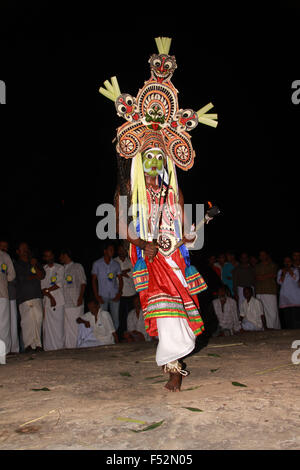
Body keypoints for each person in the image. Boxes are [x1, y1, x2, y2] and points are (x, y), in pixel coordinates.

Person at [101, 36, 216, 391]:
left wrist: (197, 227)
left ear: (166, 158)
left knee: (179, 312)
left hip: (174, 258)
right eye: (147, 155)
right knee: (165, 312)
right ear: (138, 159)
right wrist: (141, 242)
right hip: (149, 258)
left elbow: (184, 230)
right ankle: (173, 367)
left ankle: (175, 361)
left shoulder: (175, 191)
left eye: (158, 156)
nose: (153, 160)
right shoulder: (127, 190)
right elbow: (121, 227)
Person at [14, 242, 45, 352]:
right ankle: (28, 345)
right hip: (24, 296)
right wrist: (33, 275)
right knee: (27, 321)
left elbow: (41, 275)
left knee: (38, 318)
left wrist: (34, 266)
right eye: (22, 249)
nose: (25, 251)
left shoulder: (34, 262)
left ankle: (38, 345)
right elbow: (22, 278)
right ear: (18, 252)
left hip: (36, 295)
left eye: (27, 248)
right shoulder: (16, 264)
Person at [91, 241, 123, 332]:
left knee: (115, 319)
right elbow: (93, 280)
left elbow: (120, 279)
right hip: (102, 295)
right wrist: (96, 296)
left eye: (113, 250)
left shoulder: (116, 264)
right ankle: (104, 339)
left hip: (114, 294)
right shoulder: (97, 264)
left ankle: (113, 339)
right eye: (110, 250)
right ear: (105, 251)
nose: (112, 252)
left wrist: (119, 293)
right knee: (102, 318)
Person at [59, 248, 87, 348]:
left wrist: (80, 297)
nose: (60, 258)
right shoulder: (61, 268)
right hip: (64, 302)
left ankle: (77, 345)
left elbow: (83, 283)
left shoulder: (77, 266)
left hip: (75, 301)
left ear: (65, 255)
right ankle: (68, 346)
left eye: (61, 256)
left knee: (75, 326)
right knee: (66, 327)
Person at [41, 249, 65, 351]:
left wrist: (48, 291)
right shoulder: (43, 269)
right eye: (46, 256)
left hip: (58, 300)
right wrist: (49, 296)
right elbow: (41, 287)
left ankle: (59, 348)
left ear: (53, 256)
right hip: (46, 301)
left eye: (50, 255)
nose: (49, 258)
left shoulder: (60, 267)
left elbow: (59, 284)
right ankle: (48, 349)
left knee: (58, 326)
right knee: (48, 327)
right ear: (44, 258)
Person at [0, 239, 19, 353]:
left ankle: (4, 352)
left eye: (5, 246)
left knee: (4, 324)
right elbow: (11, 275)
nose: (4, 248)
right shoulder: (5, 256)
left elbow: (12, 275)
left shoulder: (6, 256)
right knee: (3, 323)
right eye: (2, 246)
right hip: (3, 292)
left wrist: (3, 280)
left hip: (3, 294)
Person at [114, 242, 136, 339]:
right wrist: (125, 272)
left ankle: (132, 336)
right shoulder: (114, 262)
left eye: (123, 250)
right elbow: (112, 276)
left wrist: (121, 273)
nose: (121, 252)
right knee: (120, 317)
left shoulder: (131, 261)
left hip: (131, 292)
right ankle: (121, 336)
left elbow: (134, 275)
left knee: (131, 316)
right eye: (120, 250)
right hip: (119, 294)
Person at [255, 250, 281, 329]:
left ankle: (274, 327)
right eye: (261, 255)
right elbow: (257, 277)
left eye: (264, 255)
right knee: (261, 311)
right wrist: (267, 275)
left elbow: (273, 275)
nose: (262, 256)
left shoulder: (273, 265)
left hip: (270, 291)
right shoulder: (257, 266)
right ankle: (264, 327)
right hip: (260, 291)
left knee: (273, 312)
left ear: (267, 255)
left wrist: (263, 276)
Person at [277, 256, 300, 329]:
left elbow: (296, 279)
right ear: (284, 262)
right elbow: (279, 282)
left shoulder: (295, 270)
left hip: (294, 297)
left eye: (289, 261)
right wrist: (283, 273)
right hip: (285, 297)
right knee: (287, 317)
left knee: (295, 317)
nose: (287, 263)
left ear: (291, 262)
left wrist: (290, 271)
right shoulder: (280, 271)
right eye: (286, 261)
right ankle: (288, 332)